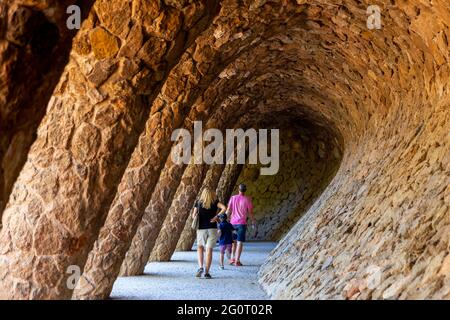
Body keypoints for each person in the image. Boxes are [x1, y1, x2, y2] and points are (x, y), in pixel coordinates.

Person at [192, 188, 226, 279]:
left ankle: (200, 267)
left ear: (203, 194)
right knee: (209, 249)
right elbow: (224, 208)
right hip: (212, 228)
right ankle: (207, 272)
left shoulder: (198, 202)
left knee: (200, 247)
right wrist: (217, 216)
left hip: (201, 229)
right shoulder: (215, 202)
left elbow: (193, 215)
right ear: (212, 194)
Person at [227, 183, 255, 266]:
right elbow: (250, 212)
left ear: (238, 190)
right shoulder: (247, 199)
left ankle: (232, 258)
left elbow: (228, 210)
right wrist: (253, 220)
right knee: (239, 242)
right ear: (245, 190)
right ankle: (237, 260)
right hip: (242, 224)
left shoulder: (233, 198)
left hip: (232, 224)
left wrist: (224, 219)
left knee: (233, 242)